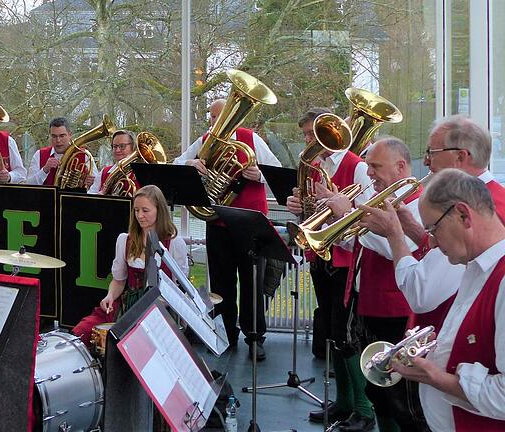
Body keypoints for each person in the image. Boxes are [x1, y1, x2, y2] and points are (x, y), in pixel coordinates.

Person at [374, 169, 505, 431]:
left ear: (463, 215)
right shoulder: (476, 267)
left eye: (434, 228)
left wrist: (435, 377)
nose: (430, 240)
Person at [360, 115, 505, 333]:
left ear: (460, 156)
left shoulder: (472, 207)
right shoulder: (491, 197)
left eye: (432, 153)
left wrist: (394, 233)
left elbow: (421, 293)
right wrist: (412, 228)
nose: (426, 161)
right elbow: (452, 260)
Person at [328, 138, 429, 431]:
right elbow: (360, 244)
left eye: (375, 166)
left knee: (397, 395)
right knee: (379, 390)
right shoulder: (382, 198)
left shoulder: (416, 202)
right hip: (369, 301)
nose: (368, 172)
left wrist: (348, 216)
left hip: (395, 309)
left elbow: (400, 249)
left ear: (400, 167)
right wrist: (335, 222)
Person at [173, 98, 281, 361]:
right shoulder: (205, 141)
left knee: (252, 282)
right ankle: (226, 334)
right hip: (218, 221)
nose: (213, 123)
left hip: (250, 222)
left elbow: (276, 171)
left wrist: (259, 175)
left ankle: (255, 336)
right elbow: (177, 162)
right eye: (211, 118)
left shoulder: (251, 139)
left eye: (218, 118)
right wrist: (191, 165)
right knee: (221, 282)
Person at [286, 107, 374, 428]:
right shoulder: (314, 169)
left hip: (346, 261)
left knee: (346, 334)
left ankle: (364, 410)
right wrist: (299, 207)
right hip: (320, 258)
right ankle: (344, 402)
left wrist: (338, 206)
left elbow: (364, 218)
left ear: (333, 134)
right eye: (307, 136)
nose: (309, 142)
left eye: (314, 135)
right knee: (332, 333)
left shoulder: (358, 168)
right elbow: (308, 216)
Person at [72, 185, 189, 344]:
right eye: (136, 210)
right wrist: (110, 296)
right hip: (126, 307)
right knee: (81, 333)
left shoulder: (174, 244)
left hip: (158, 312)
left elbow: (178, 290)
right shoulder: (124, 240)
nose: (140, 215)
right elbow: (119, 281)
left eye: (145, 210)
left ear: (159, 211)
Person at [26, 117, 97, 188]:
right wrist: (45, 170)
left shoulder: (84, 154)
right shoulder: (39, 154)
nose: (58, 140)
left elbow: (96, 187)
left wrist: (91, 183)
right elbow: (29, 185)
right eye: (54, 136)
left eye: (62, 136)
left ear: (70, 135)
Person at [88, 129, 138, 195]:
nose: (117, 150)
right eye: (115, 146)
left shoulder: (141, 173)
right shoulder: (104, 172)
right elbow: (90, 196)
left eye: (122, 146)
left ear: (133, 147)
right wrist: (99, 196)